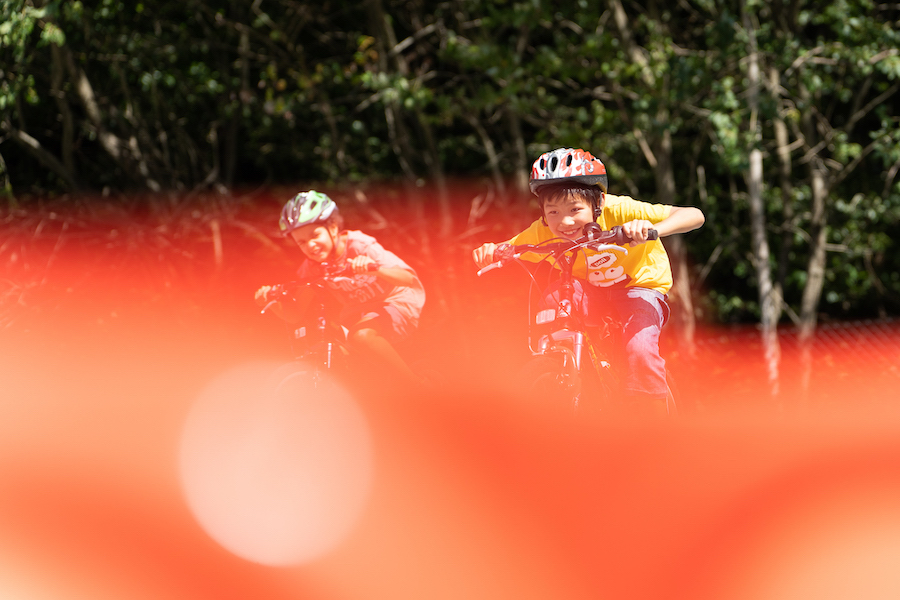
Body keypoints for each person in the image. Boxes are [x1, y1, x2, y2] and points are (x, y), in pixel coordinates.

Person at [472, 148, 704, 415]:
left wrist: (651, 230)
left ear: (599, 203)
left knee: (639, 348)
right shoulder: (543, 230)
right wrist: (489, 250)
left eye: (575, 209)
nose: (565, 221)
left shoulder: (619, 210)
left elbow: (694, 215)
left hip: (639, 287)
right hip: (590, 291)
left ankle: (653, 417)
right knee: (553, 298)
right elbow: (509, 247)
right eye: (553, 211)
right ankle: (566, 367)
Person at [256, 190, 425, 385]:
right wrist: (271, 302)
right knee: (336, 351)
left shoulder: (359, 245)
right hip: (359, 314)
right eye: (301, 242)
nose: (310, 245)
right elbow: (296, 314)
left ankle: (416, 385)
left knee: (361, 337)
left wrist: (374, 268)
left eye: (315, 235)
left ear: (333, 227)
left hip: (395, 301)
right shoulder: (311, 268)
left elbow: (408, 279)